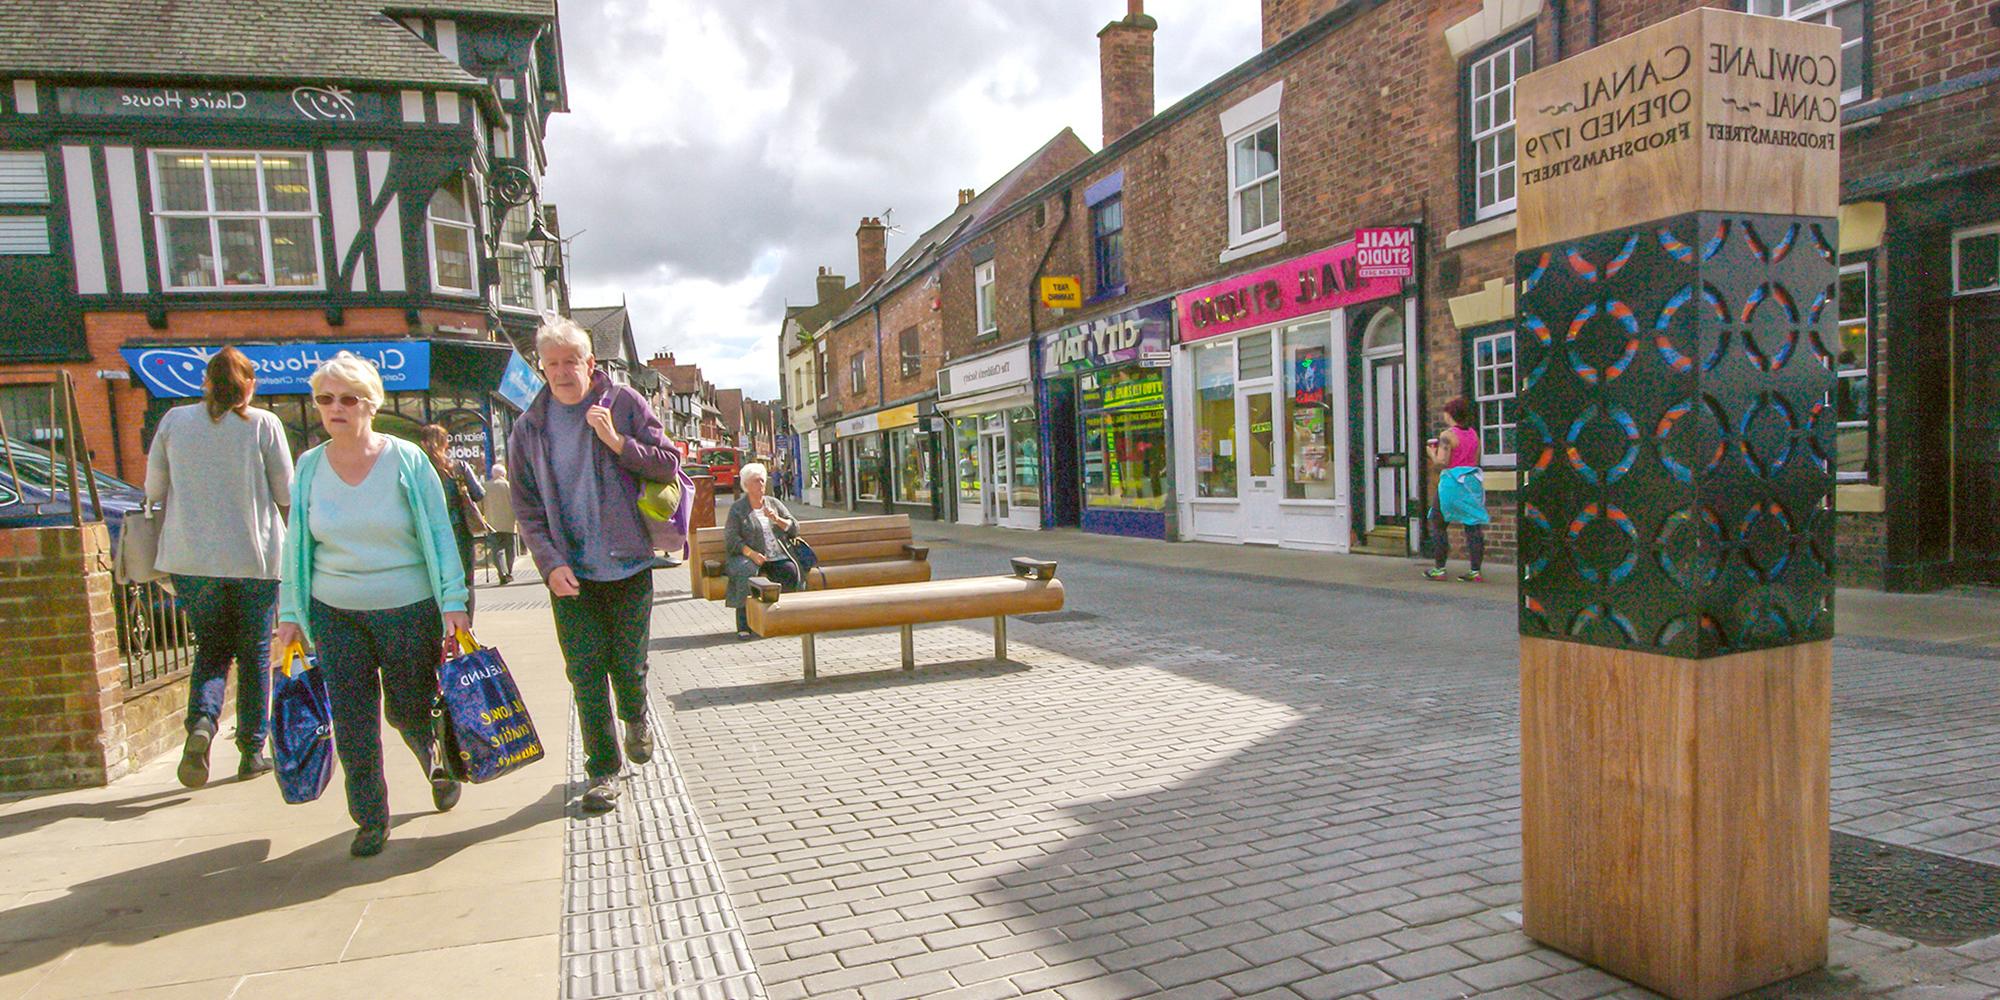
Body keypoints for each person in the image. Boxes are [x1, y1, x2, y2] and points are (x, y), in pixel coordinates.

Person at [274, 353, 472, 858]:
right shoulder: (309, 466)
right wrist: (292, 614)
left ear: (370, 404)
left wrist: (453, 600)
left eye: (347, 399)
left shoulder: (407, 459)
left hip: (408, 606)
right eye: (324, 399)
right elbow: (298, 544)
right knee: (352, 719)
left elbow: (439, 532)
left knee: (408, 708)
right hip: (334, 611)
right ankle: (370, 817)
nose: (334, 408)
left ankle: (433, 758)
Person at [509, 317, 682, 813]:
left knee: (627, 666)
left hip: (628, 565)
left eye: (571, 361)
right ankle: (603, 771)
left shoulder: (624, 404)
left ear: (590, 363)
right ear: (542, 368)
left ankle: (635, 717)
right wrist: (547, 563)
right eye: (552, 363)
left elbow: (668, 463)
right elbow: (526, 507)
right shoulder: (530, 427)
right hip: (571, 573)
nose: (563, 372)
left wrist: (617, 443)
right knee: (585, 674)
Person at [144, 347, 295, 788]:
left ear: (206, 382)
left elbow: (153, 487)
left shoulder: (173, 421)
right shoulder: (264, 425)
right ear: (249, 384)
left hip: (192, 559)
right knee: (254, 656)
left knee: (210, 648)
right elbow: (285, 492)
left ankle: (202, 725)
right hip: (254, 559)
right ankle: (252, 750)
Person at [723, 463, 803, 640]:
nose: (760, 485)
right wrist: (751, 554)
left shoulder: (774, 503)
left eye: (762, 480)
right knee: (746, 573)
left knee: (790, 570)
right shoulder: (738, 508)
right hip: (748, 556)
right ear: (746, 485)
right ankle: (744, 625)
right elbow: (731, 538)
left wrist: (777, 519)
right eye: (755, 481)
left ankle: (783, 619)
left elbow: (795, 528)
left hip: (776, 555)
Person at [419, 424, 486, 617]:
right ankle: (467, 631)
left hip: (428, 533)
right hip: (460, 532)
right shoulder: (458, 466)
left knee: (434, 582)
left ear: (423, 443)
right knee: (466, 582)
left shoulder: (419, 469)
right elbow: (479, 493)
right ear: (445, 443)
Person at [1424, 396, 1489, 582]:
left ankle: (1439, 569)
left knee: (1439, 523)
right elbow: (1475, 460)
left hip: (1452, 483)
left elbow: (1442, 462)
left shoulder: (1447, 436)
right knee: (1472, 525)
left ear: (1449, 414)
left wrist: (1431, 453)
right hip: (1471, 482)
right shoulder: (1473, 434)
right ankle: (1475, 571)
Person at [483, 463, 517, 584]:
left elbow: (479, 505)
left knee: (496, 550)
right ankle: (509, 572)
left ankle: (501, 573)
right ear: (504, 474)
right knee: (510, 550)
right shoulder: (509, 486)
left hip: (492, 523)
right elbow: (516, 504)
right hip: (509, 523)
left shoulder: (485, 486)